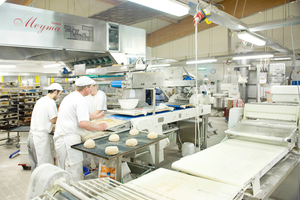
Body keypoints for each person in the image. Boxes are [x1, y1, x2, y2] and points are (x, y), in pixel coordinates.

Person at [54, 76, 107, 181]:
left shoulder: (70, 97)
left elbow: (81, 114)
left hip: (61, 139)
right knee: (74, 170)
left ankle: (63, 193)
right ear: (86, 88)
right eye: (91, 86)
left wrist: (96, 116)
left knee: (64, 170)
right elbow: (83, 123)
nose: (92, 89)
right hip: (69, 140)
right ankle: (74, 195)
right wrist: (98, 127)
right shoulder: (81, 99)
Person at [27, 83, 63, 172]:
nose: (58, 97)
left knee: (36, 164)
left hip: (32, 135)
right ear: (55, 92)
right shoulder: (50, 102)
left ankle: (36, 183)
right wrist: (65, 120)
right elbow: (54, 120)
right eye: (59, 94)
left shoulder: (40, 100)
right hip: (41, 138)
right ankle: (44, 184)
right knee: (45, 165)